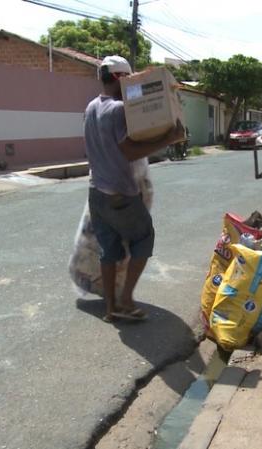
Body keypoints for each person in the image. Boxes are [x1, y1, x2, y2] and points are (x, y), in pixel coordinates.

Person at [84, 55, 184, 322]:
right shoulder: (118, 110)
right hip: (120, 194)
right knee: (144, 238)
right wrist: (168, 138)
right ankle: (126, 300)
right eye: (128, 78)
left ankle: (110, 309)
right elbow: (129, 151)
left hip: (96, 192)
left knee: (109, 250)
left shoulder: (91, 107)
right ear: (119, 78)